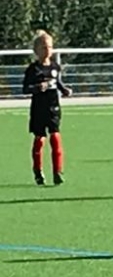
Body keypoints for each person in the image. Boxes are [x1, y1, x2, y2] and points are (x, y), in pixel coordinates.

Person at [22, 30, 72, 185]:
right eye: (43, 47)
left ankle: (58, 172)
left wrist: (64, 90)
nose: (47, 50)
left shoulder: (55, 67)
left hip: (53, 107)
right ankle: (38, 171)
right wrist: (38, 87)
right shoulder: (33, 69)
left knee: (55, 136)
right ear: (36, 50)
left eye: (50, 47)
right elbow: (25, 89)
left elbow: (58, 82)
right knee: (40, 139)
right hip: (38, 108)